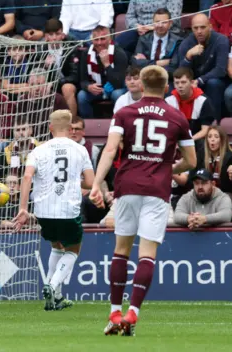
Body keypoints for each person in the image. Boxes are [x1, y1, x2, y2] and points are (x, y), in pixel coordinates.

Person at [89, 65, 197, 336]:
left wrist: (96, 183)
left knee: (121, 250)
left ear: (140, 84)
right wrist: (164, 168)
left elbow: (111, 148)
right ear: (165, 86)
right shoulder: (177, 118)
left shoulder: (123, 112)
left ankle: (114, 312)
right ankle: (133, 313)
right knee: (147, 254)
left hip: (127, 187)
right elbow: (193, 162)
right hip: (156, 191)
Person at [13, 110, 95, 312]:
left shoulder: (38, 151)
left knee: (57, 246)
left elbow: (26, 177)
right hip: (69, 209)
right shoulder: (80, 150)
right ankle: (52, 283)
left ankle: (56, 297)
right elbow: (91, 182)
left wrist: (23, 208)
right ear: (69, 129)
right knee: (73, 250)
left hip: (43, 210)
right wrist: (73, 180)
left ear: (49, 128)